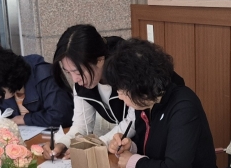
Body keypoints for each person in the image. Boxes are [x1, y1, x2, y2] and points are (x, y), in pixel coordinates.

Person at [105, 38, 222, 168]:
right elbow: (154, 149)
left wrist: (132, 161)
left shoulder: (183, 105)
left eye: (122, 92)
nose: (120, 97)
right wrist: (131, 147)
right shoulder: (146, 103)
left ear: (140, 87)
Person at [43, 24, 154, 159]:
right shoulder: (83, 81)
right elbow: (82, 126)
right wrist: (62, 143)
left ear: (100, 60)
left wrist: (96, 144)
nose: (75, 79)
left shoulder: (127, 71)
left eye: (77, 72)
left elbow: (132, 122)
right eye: (68, 72)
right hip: (125, 149)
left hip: (150, 146)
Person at [0, 47, 73, 128]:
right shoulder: (4, 85)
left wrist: (23, 119)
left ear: (7, 80)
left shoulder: (45, 76)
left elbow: (62, 115)